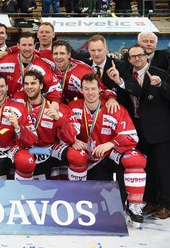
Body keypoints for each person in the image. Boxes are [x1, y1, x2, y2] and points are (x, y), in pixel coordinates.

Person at [68, 73, 146, 224]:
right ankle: (77, 200)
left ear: (99, 90)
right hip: (86, 159)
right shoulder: (73, 107)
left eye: (93, 89)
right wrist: (73, 139)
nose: (90, 93)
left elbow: (131, 136)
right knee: (75, 155)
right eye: (86, 89)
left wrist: (111, 143)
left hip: (108, 155)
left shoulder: (114, 107)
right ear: (81, 91)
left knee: (135, 158)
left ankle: (134, 205)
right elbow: (63, 130)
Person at [115, 44, 170, 219]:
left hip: (160, 130)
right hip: (139, 130)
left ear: (147, 56)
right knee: (148, 168)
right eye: (133, 56)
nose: (137, 59)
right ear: (129, 59)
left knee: (163, 169)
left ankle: (167, 204)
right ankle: (151, 200)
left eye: (140, 55)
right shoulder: (128, 76)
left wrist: (161, 85)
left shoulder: (159, 73)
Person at [0, 73, 37, 179]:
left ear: (7, 87)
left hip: (13, 151)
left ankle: (25, 193)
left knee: (25, 161)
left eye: (2, 86)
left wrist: (18, 127)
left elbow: (33, 138)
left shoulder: (18, 108)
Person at [0, 32, 62, 106]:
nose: (27, 48)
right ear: (18, 46)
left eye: (30, 45)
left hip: (33, 108)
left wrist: (55, 102)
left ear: (34, 46)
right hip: (7, 106)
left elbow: (55, 86)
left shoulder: (43, 66)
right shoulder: (4, 61)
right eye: (24, 45)